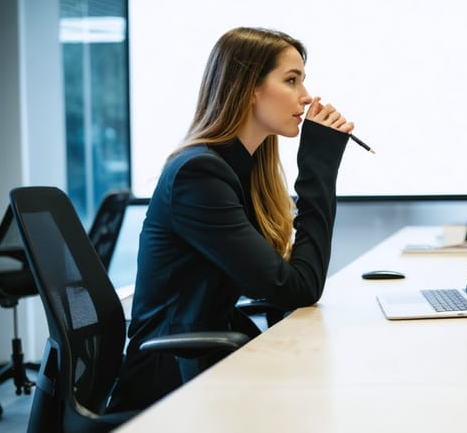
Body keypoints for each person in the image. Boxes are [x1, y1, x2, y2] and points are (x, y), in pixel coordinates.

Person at [107, 26, 354, 412]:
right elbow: (296, 287)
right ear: (248, 88)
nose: (306, 98)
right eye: (291, 80)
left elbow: (283, 280)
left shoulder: (240, 169)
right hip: (172, 378)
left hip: (206, 358)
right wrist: (318, 170)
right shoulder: (200, 174)